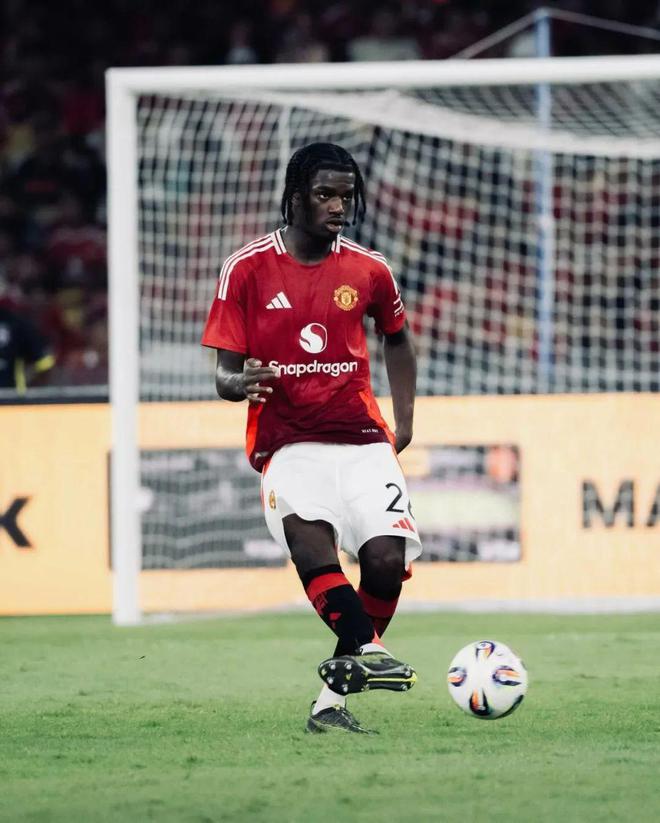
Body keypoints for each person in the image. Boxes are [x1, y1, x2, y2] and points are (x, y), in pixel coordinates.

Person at [202, 142, 421, 734]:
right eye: (325, 194)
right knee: (311, 548)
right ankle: (370, 650)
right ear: (295, 196)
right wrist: (240, 382)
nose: (338, 206)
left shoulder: (370, 269)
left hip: (362, 439)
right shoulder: (246, 268)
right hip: (288, 442)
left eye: (346, 196)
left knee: (385, 562)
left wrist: (404, 420)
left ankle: (330, 703)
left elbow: (397, 337)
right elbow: (224, 376)